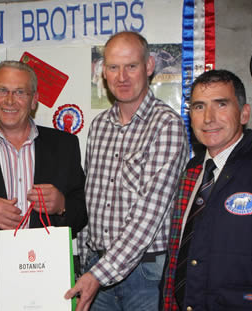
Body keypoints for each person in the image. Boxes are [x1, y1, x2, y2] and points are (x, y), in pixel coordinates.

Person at [0, 60, 88, 311]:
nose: (9, 101)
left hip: (49, 287)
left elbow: (82, 210)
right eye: (2, 91)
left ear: (34, 100)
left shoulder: (65, 146)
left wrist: (62, 205)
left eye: (20, 92)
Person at [65, 31, 189, 310]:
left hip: (144, 273)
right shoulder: (98, 126)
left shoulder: (166, 125)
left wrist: (97, 274)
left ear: (149, 66)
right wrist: (83, 261)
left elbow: (149, 213)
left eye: (131, 66)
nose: (122, 76)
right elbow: (91, 200)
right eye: (113, 67)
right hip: (95, 266)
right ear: (103, 72)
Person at [163, 69, 252, 310]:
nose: (208, 118)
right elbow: (177, 254)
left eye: (221, 104)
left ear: (244, 113)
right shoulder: (192, 171)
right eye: (199, 107)